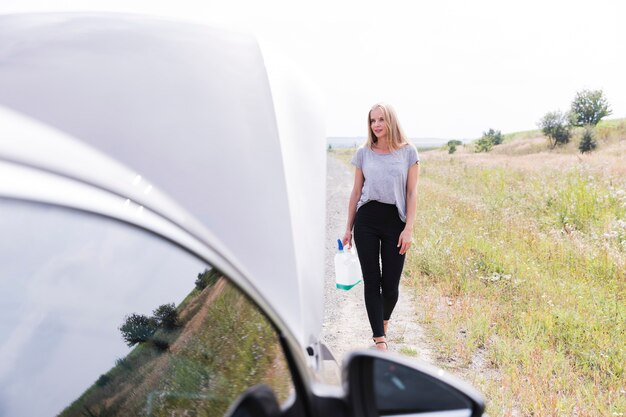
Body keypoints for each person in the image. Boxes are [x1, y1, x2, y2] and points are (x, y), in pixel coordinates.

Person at [342, 103, 420, 351]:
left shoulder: (408, 152)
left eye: (381, 120)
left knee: (391, 286)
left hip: (395, 221)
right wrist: (348, 229)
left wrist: (408, 229)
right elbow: (356, 192)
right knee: (371, 280)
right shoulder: (364, 153)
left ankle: (382, 322)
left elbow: (412, 192)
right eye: (372, 120)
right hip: (367, 219)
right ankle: (379, 340)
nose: (376, 124)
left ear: (391, 121)